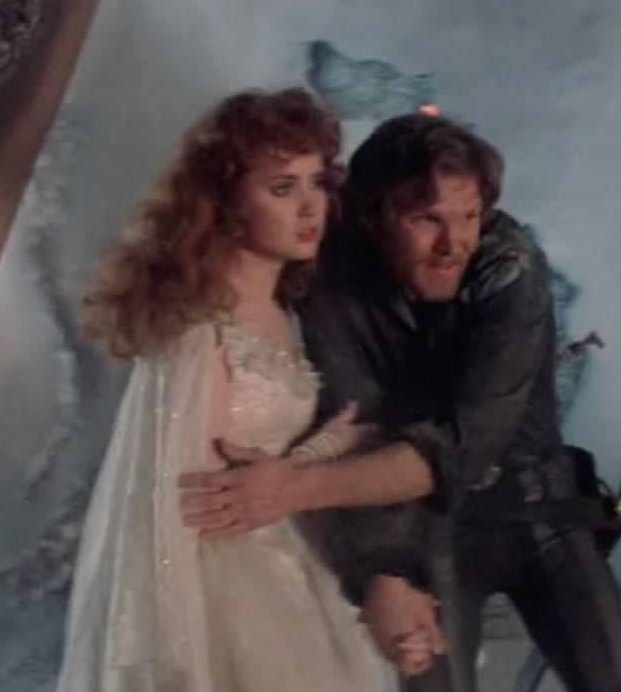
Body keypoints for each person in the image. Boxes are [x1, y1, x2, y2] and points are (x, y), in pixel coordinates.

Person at [184, 111, 621, 692]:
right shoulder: (329, 270)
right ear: (371, 216)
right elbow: (359, 422)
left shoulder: (508, 264)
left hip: (541, 514)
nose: (453, 244)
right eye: (426, 219)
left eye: (469, 216)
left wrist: (292, 490)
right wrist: (385, 569)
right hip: (423, 531)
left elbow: (462, 446)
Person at [56, 88, 419, 690]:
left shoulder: (283, 312)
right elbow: (182, 499)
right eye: (282, 188)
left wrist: (328, 448)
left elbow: (262, 469)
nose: (310, 207)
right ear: (226, 202)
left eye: (317, 183)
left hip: (288, 563)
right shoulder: (201, 328)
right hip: (221, 587)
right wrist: (172, 648)